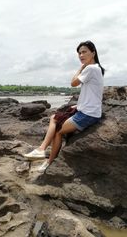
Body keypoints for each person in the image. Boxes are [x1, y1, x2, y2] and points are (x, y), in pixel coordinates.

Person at [23, 40, 105, 172]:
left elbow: (73, 83)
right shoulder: (97, 69)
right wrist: (78, 106)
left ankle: (47, 159)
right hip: (85, 109)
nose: (81, 55)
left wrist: (80, 68)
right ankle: (41, 150)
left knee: (58, 130)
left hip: (88, 114)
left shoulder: (90, 68)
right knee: (54, 117)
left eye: (84, 52)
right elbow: (92, 93)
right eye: (79, 53)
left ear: (93, 53)